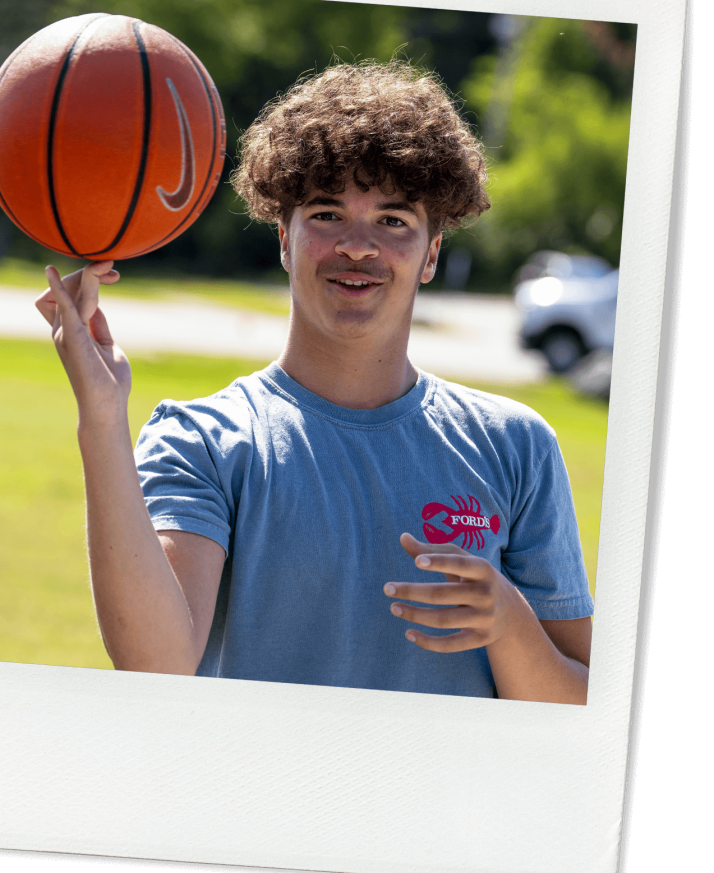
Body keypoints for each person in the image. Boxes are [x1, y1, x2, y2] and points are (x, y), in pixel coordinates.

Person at [36, 61, 594, 703]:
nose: (358, 246)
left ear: (432, 252)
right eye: (327, 214)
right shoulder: (205, 441)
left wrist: (509, 625)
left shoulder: (516, 445)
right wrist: (102, 418)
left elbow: (585, 712)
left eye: (393, 221)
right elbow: (156, 667)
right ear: (284, 239)